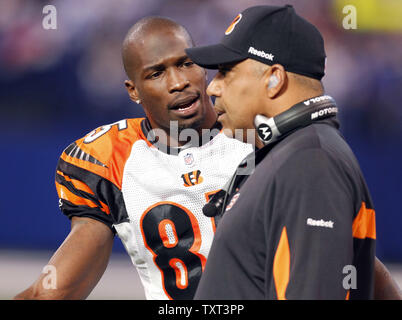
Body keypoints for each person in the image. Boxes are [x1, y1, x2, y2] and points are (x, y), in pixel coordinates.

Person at [14, 14, 400, 300]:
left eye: (186, 63)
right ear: (133, 90)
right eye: (157, 73)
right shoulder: (110, 157)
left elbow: (346, 257)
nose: (179, 81)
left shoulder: (266, 140)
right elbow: (57, 289)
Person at [186, 4, 401, 299]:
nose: (213, 88)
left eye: (226, 71)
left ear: (274, 78)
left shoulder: (311, 162)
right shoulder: (295, 155)